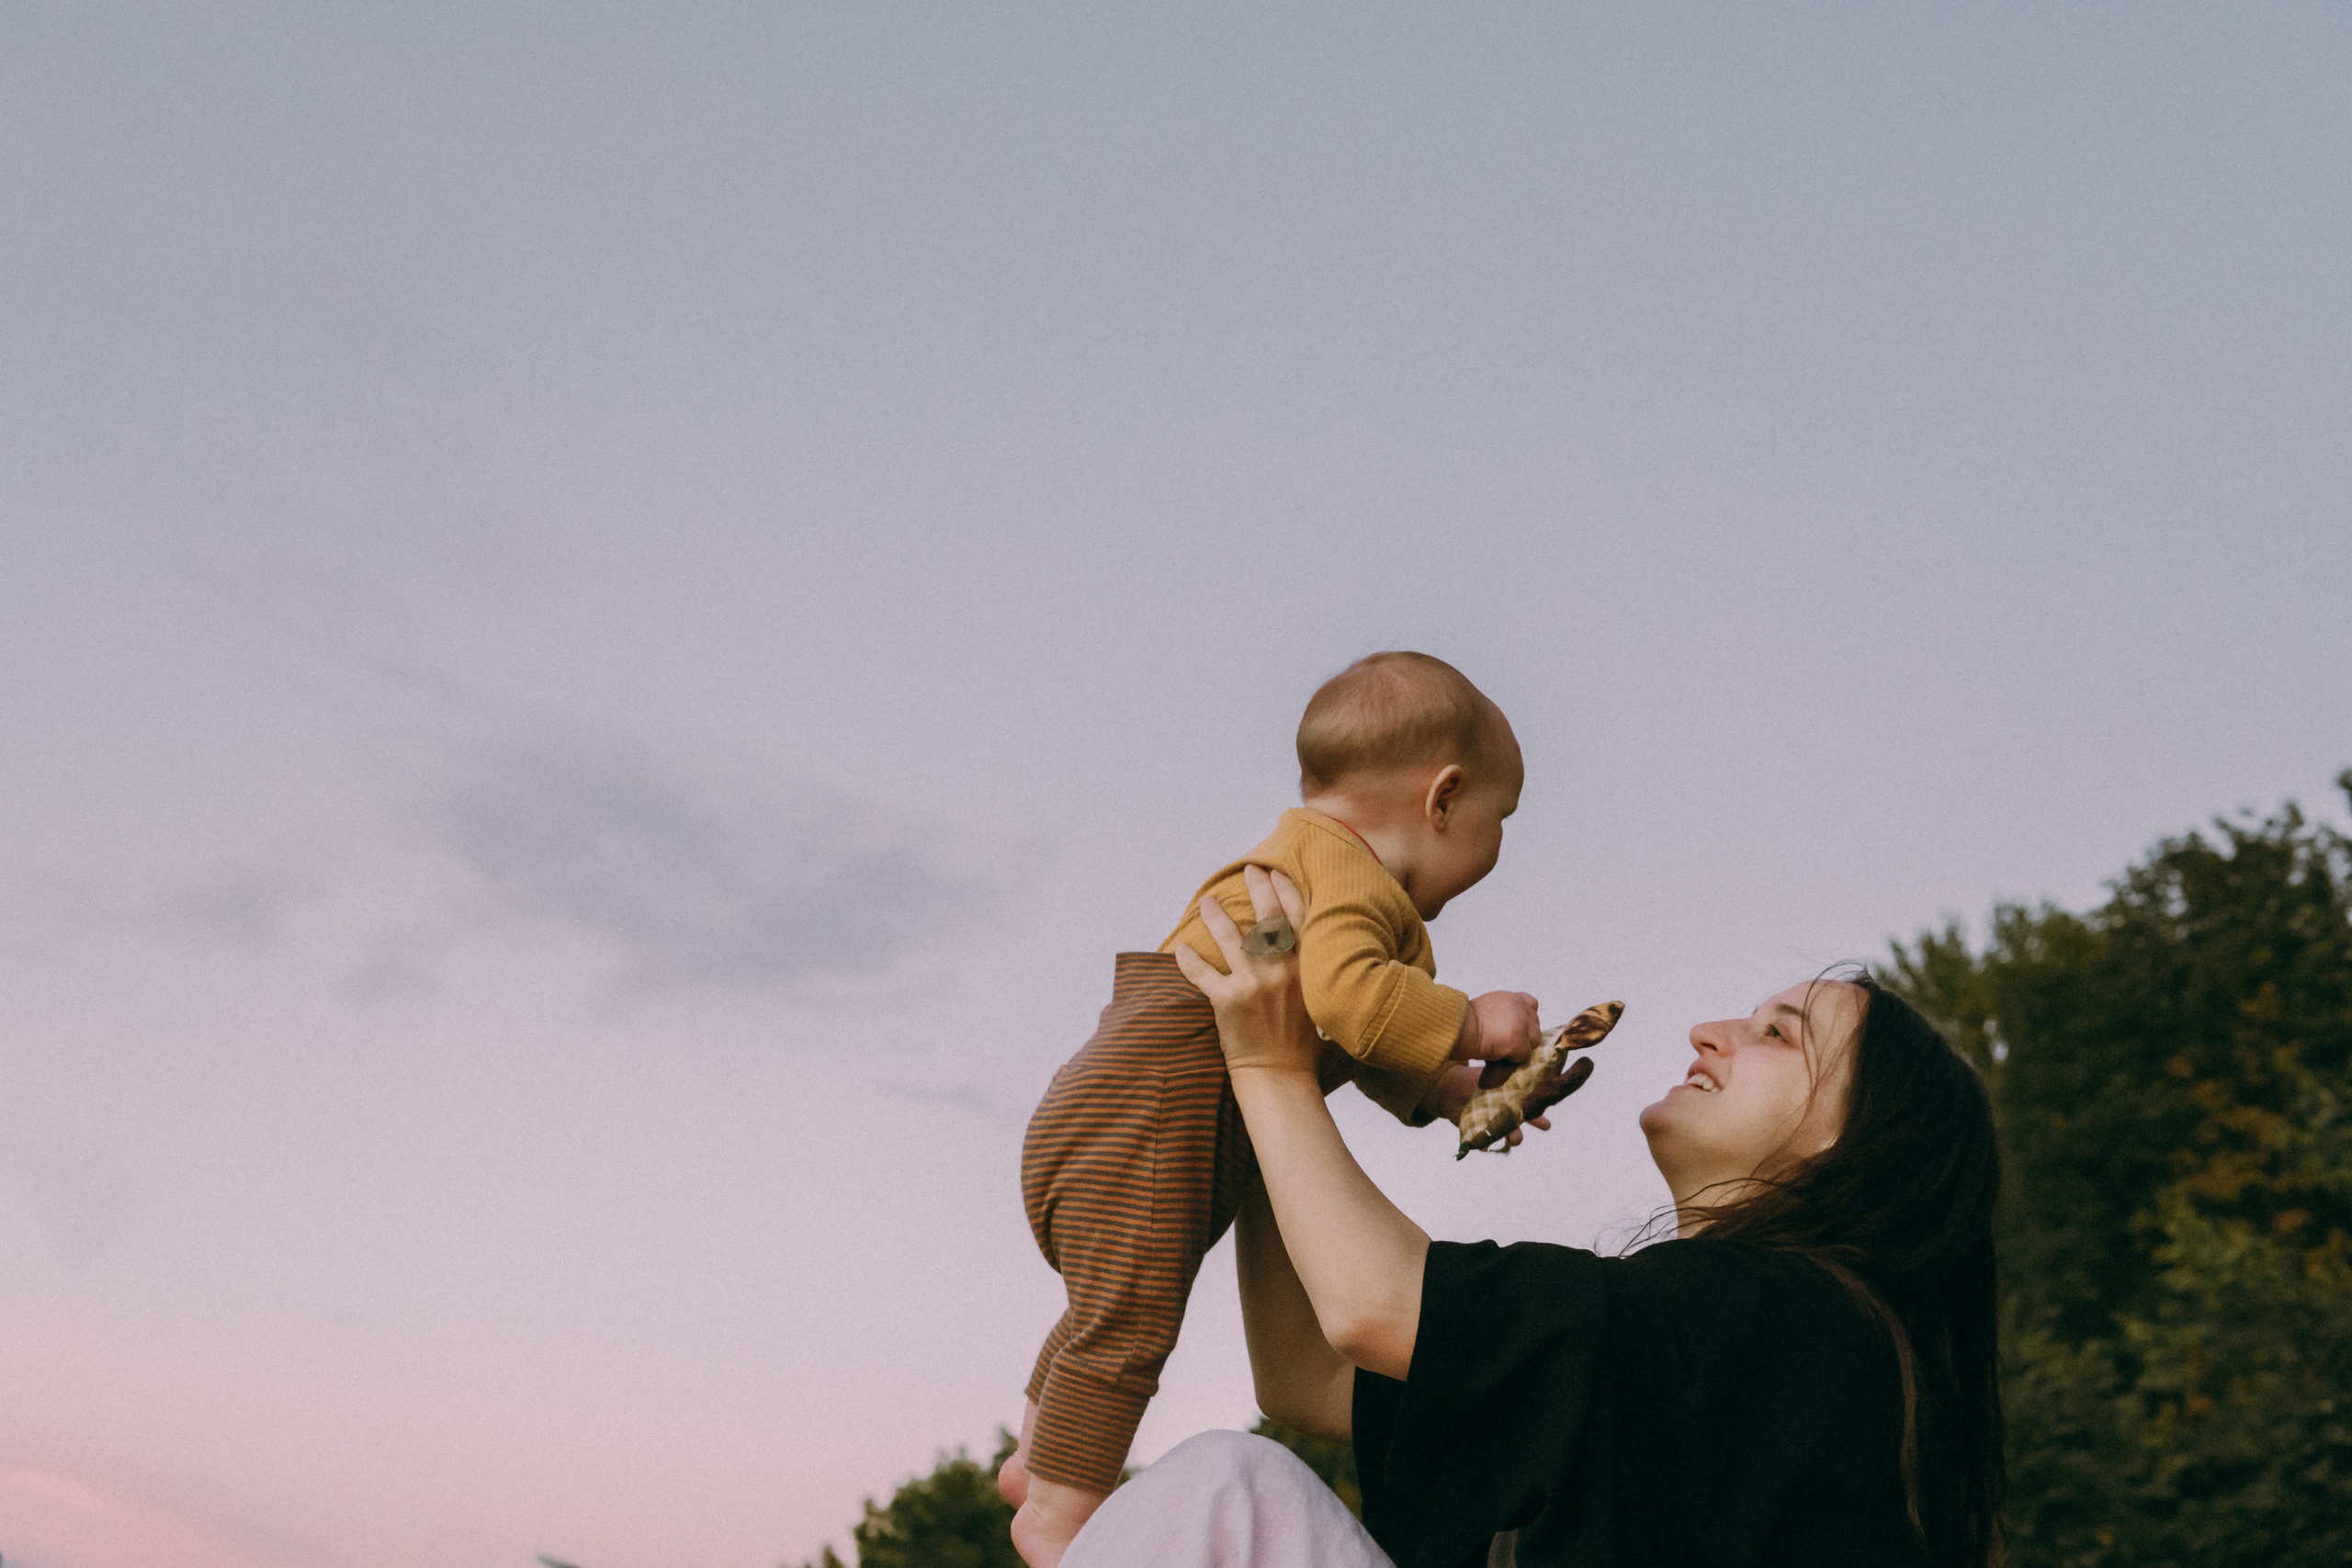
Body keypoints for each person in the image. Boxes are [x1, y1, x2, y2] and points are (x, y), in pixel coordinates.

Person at [1057, 866, 2003, 1568]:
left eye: (1776, 1036)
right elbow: (1311, 1374)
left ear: (1859, 1143)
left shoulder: (1786, 1317)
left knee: (1231, 1493)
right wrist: (1297, 1069)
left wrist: (1267, 1069)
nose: (1708, 1032)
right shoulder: (1716, 1345)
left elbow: (1371, 1308)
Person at [1001, 653, 1623, 1567]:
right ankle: (1057, 1517)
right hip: (1146, 1110)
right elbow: (1350, 1004)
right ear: (1442, 799)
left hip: (1114, 1104)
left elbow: (1339, 1031)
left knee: (1109, 1302)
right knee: (1129, 1321)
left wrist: (1447, 1094)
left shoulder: (1318, 870)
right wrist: (1470, 1022)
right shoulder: (1349, 880)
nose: (1501, 843)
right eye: (1504, 819)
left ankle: (1035, 1457)